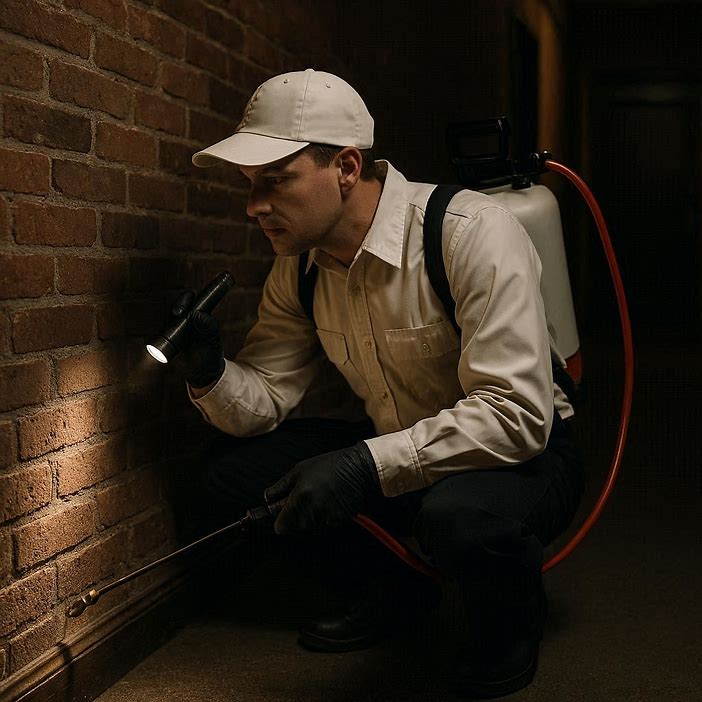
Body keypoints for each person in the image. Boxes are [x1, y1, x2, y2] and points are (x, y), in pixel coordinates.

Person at [178, 68, 584, 698]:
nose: (253, 205)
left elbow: (517, 416)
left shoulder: (468, 232)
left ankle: (507, 625)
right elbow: (264, 403)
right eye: (248, 185)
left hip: (520, 453)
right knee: (232, 475)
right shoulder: (301, 270)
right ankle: (398, 591)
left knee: (461, 520)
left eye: (274, 181)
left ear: (345, 167)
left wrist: (364, 468)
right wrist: (209, 373)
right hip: (401, 449)